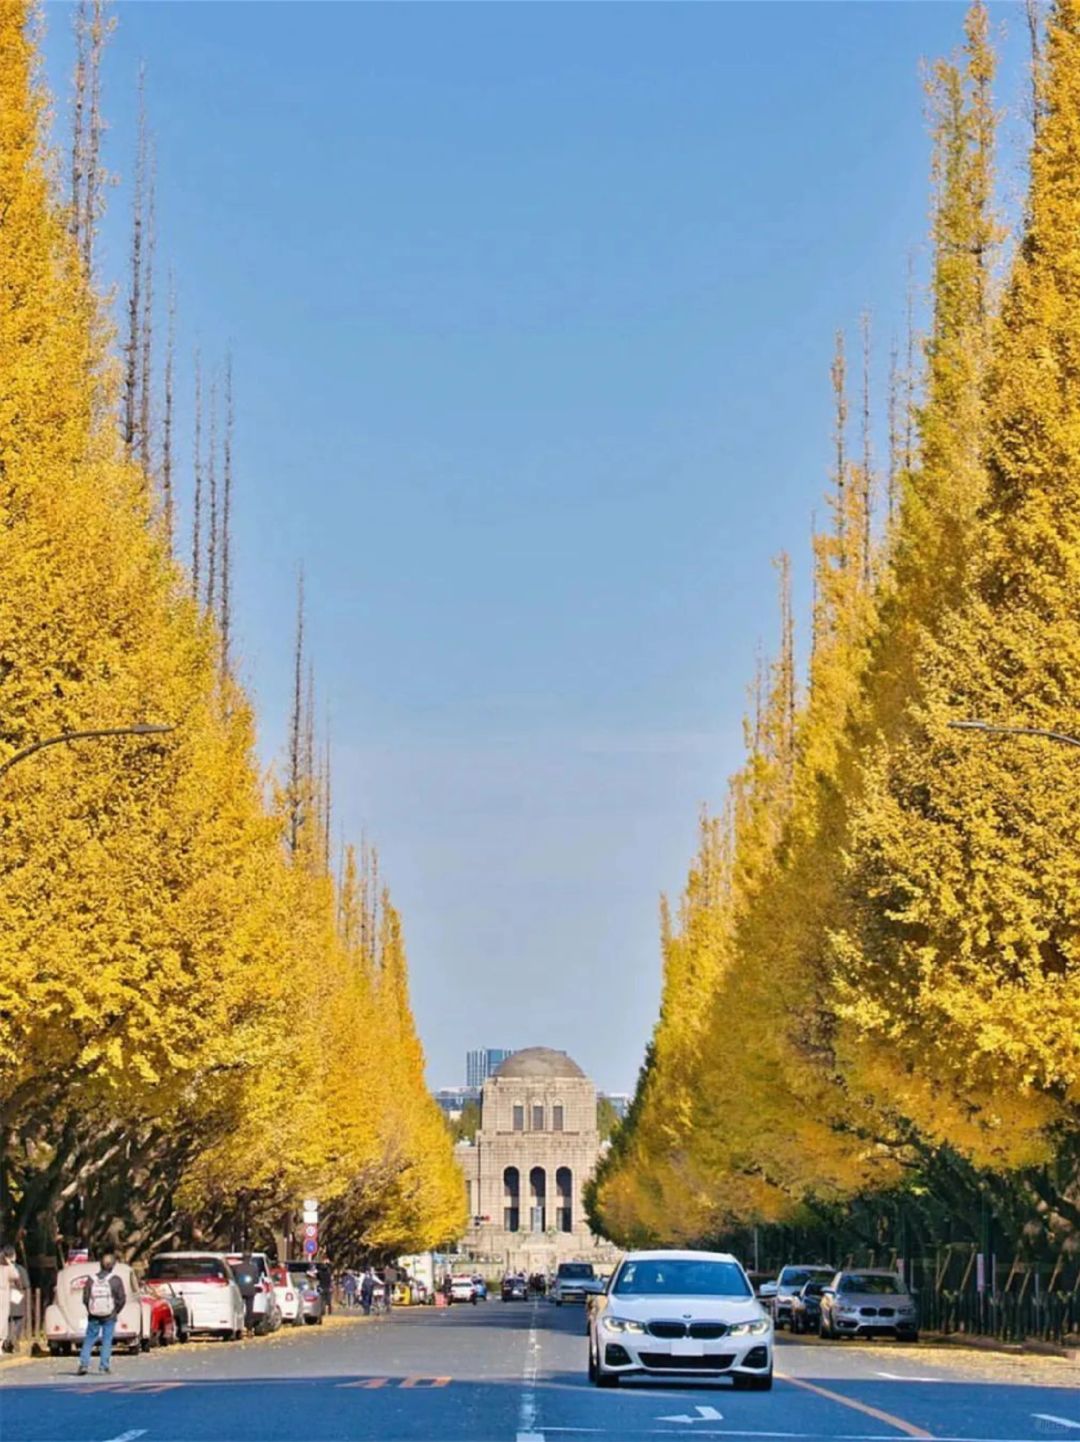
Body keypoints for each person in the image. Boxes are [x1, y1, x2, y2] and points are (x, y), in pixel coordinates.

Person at [78, 1250, 126, 1375]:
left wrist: (90, 1309)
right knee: (107, 1339)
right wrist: (115, 1311)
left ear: (100, 1264)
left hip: (94, 1314)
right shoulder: (115, 1280)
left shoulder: (91, 1280)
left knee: (89, 1338)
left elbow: (85, 1298)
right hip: (109, 1315)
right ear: (113, 1266)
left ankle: (84, 1364)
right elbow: (122, 1299)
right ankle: (104, 1366)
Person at [1, 1246, 29, 1352]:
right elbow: (25, 1284)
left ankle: (7, 1340)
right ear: (14, 1256)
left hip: (5, 1296)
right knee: (18, 1319)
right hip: (16, 1297)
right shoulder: (19, 1269)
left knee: (6, 1320)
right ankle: (12, 1338)